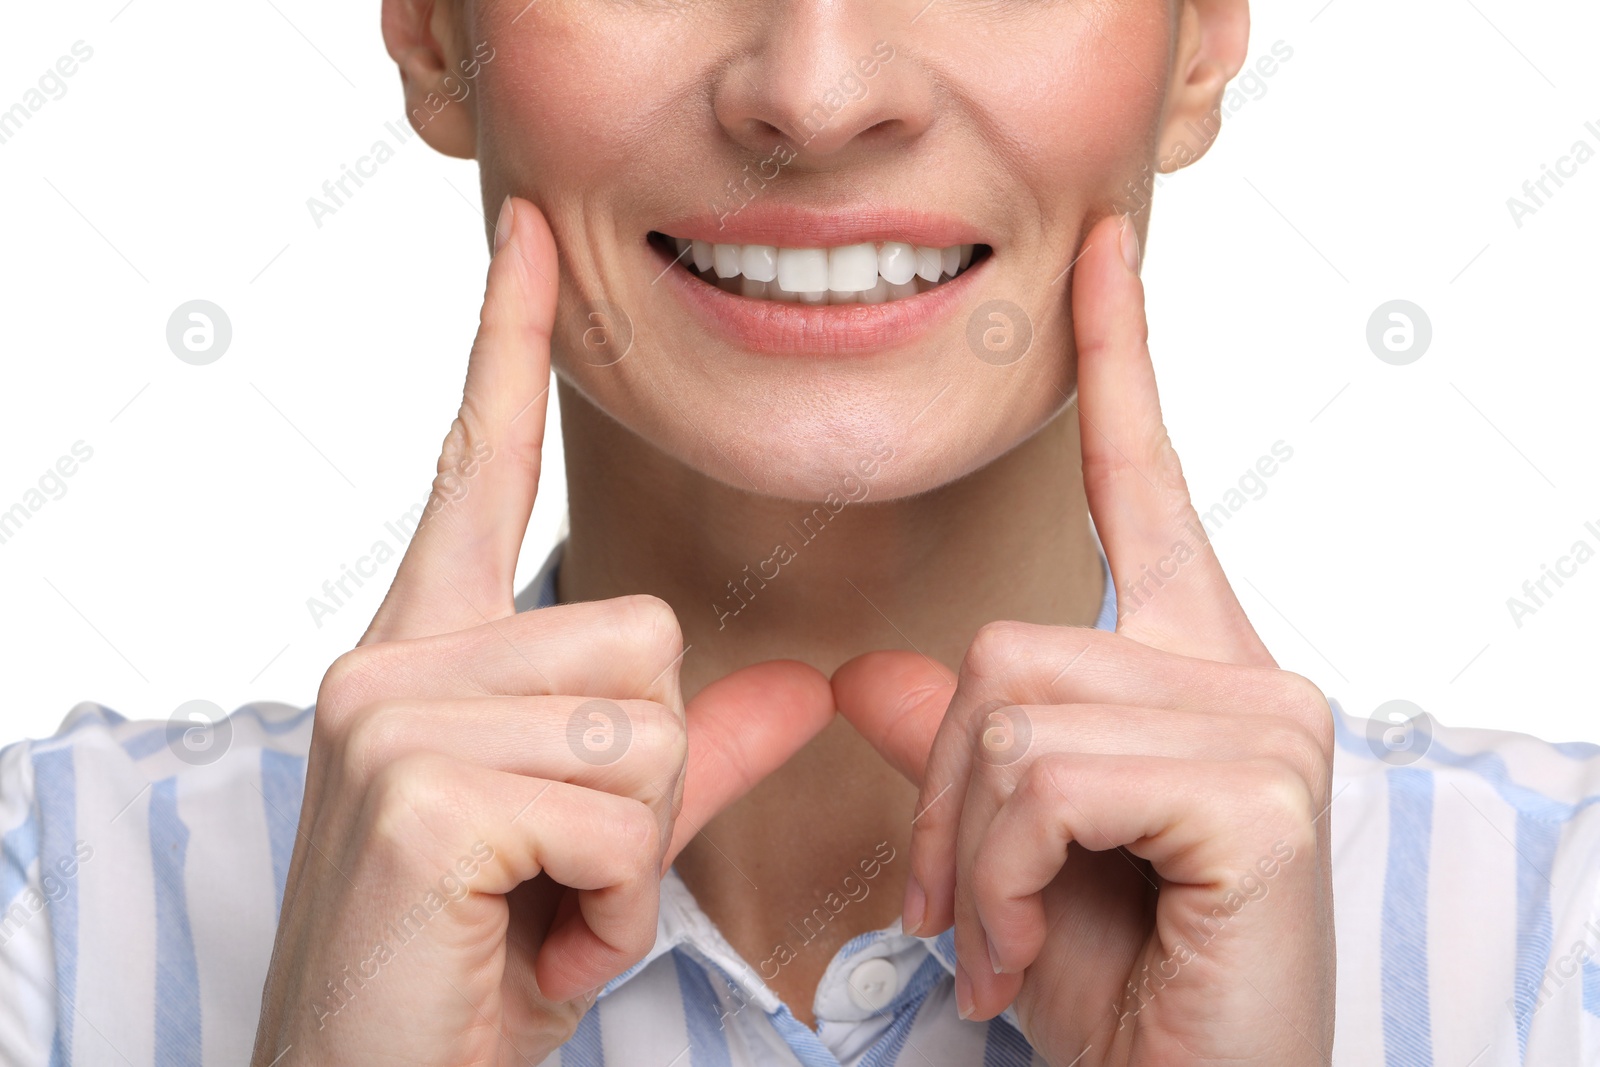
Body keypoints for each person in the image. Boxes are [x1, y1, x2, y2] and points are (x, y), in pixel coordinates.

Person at [4, 1, 1600, 1064]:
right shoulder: (49, 915)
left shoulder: (1562, 933)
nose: (819, 93)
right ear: (436, 33)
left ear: (1199, 44)